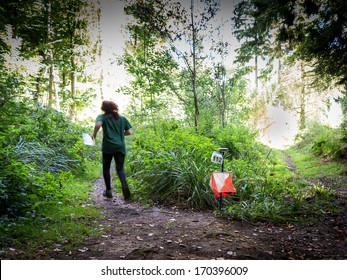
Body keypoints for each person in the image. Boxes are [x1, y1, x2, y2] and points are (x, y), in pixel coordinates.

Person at [92, 100, 132, 200]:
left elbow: (98, 125)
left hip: (108, 147)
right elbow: (129, 132)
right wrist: (119, 134)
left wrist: (94, 134)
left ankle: (109, 191)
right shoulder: (122, 118)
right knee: (120, 169)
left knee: (106, 168)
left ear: (103, 108)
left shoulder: (102, 117)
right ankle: (125, 187)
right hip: (120, 146)